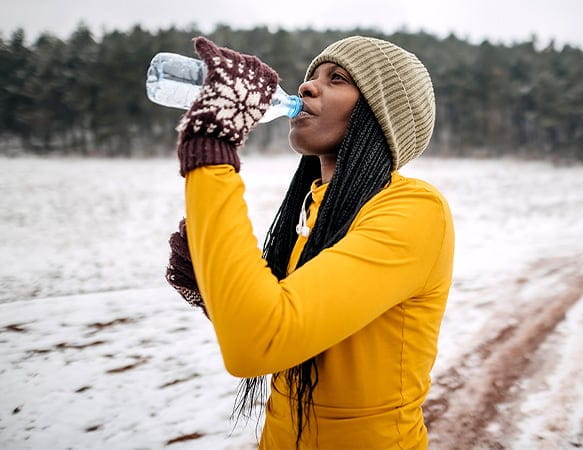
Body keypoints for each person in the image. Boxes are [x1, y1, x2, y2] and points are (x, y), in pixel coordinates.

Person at [166, 35, 455, 449]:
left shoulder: (415, 210)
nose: (305, 87)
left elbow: (260, 341)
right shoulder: (312, 206)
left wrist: (212, 150)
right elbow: (277, 322)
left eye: (337, 79)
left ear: (381, 112)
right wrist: (214, 285)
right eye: (311, 76)